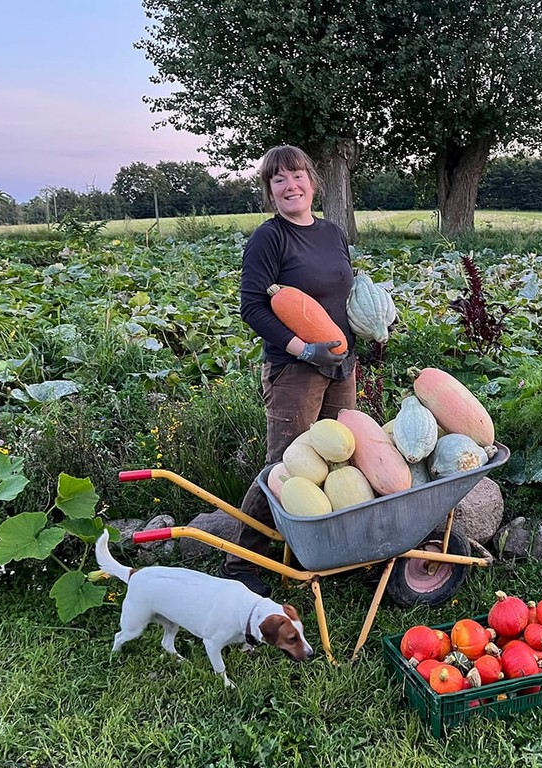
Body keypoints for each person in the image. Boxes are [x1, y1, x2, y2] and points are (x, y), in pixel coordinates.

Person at [220, 145, 357, 596]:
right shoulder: (270, 237)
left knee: (339, 457)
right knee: (285, 465)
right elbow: (253, 307)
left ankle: (319, 549)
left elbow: (342, 297)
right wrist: (302, 348)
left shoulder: (332, 233)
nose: (290, 185)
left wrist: (368, 330)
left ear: (313, 182)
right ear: (270, 191)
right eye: (278, 179)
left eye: (297, 175)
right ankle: (242, 560)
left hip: (341, 363)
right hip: (294, 369)